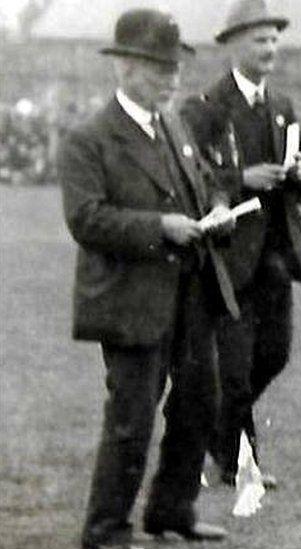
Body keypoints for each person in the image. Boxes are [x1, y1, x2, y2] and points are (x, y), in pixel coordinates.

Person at [60, 9, 239, 547]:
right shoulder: (89, 139)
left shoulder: (174, 126)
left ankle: (171, 511)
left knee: (198, 405)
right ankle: (106, 529)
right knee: (132, 420)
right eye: (161, 68)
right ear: (125, 68)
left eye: (176, 67)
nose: (173, 77)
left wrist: (220, 210)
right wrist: (160, 227)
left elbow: (204, 187)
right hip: (130, 301)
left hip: (189, 294)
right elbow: (86, 219)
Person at [181, 0, 301, 489]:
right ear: (233, 45)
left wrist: (297, 173)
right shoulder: (207, 108)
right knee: (233, 369)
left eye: (275, 39)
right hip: (228, 257)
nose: (270, 48)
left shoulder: (282, 107)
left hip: (276, 255)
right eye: (260, 40)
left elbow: (296, 180)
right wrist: (242, 178)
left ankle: (219, 433)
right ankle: (240, 458)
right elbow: (194, 175)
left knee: (274, 355)